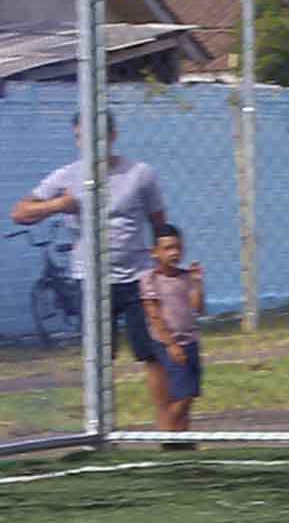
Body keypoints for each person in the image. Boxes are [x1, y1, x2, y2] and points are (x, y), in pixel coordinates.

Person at [15, 112, 172, 415]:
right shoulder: (67, 176)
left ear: (111, 136)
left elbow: (160, 225)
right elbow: (20, 212)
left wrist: (163, 271)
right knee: (99, 358)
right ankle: (100, 427)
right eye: (79, 137)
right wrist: (58, 205)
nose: (86, 143)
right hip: (90, 279)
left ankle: (171, 434)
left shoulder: (140, 174)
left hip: (137, 277)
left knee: (152, 352)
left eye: (94, 136)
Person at [138, 224, 205, 440]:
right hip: (169, 343)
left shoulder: (186, 277)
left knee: (190, 395)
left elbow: (197, 308)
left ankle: (181, 439)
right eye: (167, 248)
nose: (174, 253)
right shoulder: (150, 279)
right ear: (155, 252)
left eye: (178, 248)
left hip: (190, 340)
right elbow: (154, 316)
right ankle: (168, 434)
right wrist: (171, 345)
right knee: (182, 395)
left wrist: (196, 284)